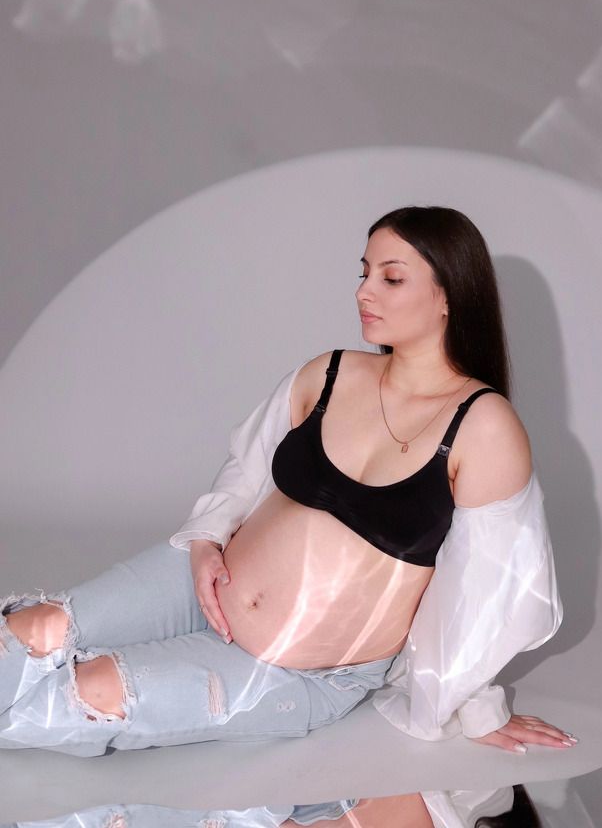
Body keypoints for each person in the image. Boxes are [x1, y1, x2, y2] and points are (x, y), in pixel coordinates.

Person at [0, 205, 572, 756]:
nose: (364, 291)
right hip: (203, 580)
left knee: (92, 693)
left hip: (296, 669)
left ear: (449, 295)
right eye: (364, 272)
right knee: (37, 628)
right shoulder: (328, 373)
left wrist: (477, 708)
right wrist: (204, 543)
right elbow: (245, 469)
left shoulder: (483, 426)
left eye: (391, 278)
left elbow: (491, 587)